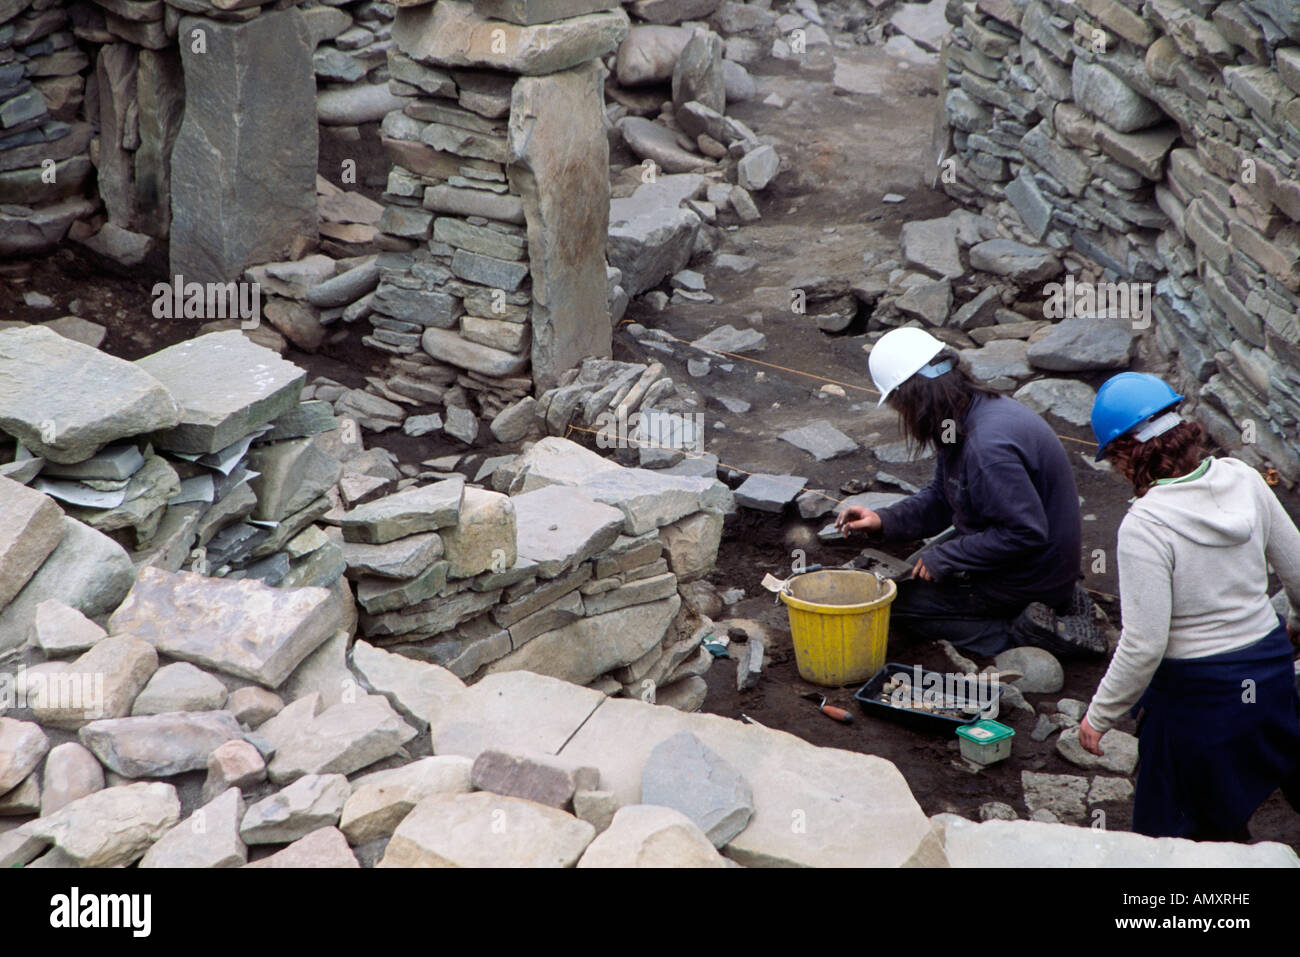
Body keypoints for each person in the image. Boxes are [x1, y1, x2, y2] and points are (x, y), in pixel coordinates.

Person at [1078, 372, 1300, 841]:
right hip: (1270, 672)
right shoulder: (1245, 477)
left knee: (1179, 830)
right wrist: (1295, 621)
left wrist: (1099, 715)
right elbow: (1297, 570)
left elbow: (1143, 644)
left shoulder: (1146, 525)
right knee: (1275, 766)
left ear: (1123, 455)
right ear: (1185, 431)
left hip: (1199, 699)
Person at [835, 326, 1099, 658]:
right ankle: (1052, 600)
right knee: (910, 572)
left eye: (899, 405)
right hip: (1033, 559)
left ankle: (1022, 634)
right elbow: (944, 498)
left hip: (1032, 571)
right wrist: (883, 519)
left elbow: (1024, 533)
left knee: (894, 605)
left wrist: (948, 556)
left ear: (913, 396)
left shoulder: (987, 447)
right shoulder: (969, 411)